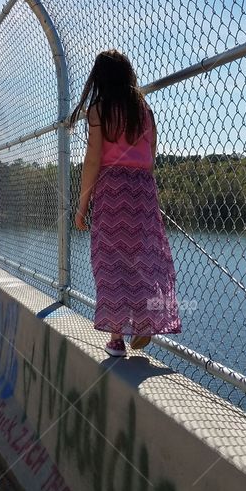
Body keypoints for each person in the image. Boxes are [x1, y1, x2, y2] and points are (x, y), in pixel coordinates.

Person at [71, 49, 182, 357]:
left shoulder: (99, 110)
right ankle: (145, 322)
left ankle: (117, 338)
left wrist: (82, 206)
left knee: (111, 260)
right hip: (142, 188)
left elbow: (93, 160)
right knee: (143, 256)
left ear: (100, 79)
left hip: (112, 188)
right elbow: (151, 156)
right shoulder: (143, 110)